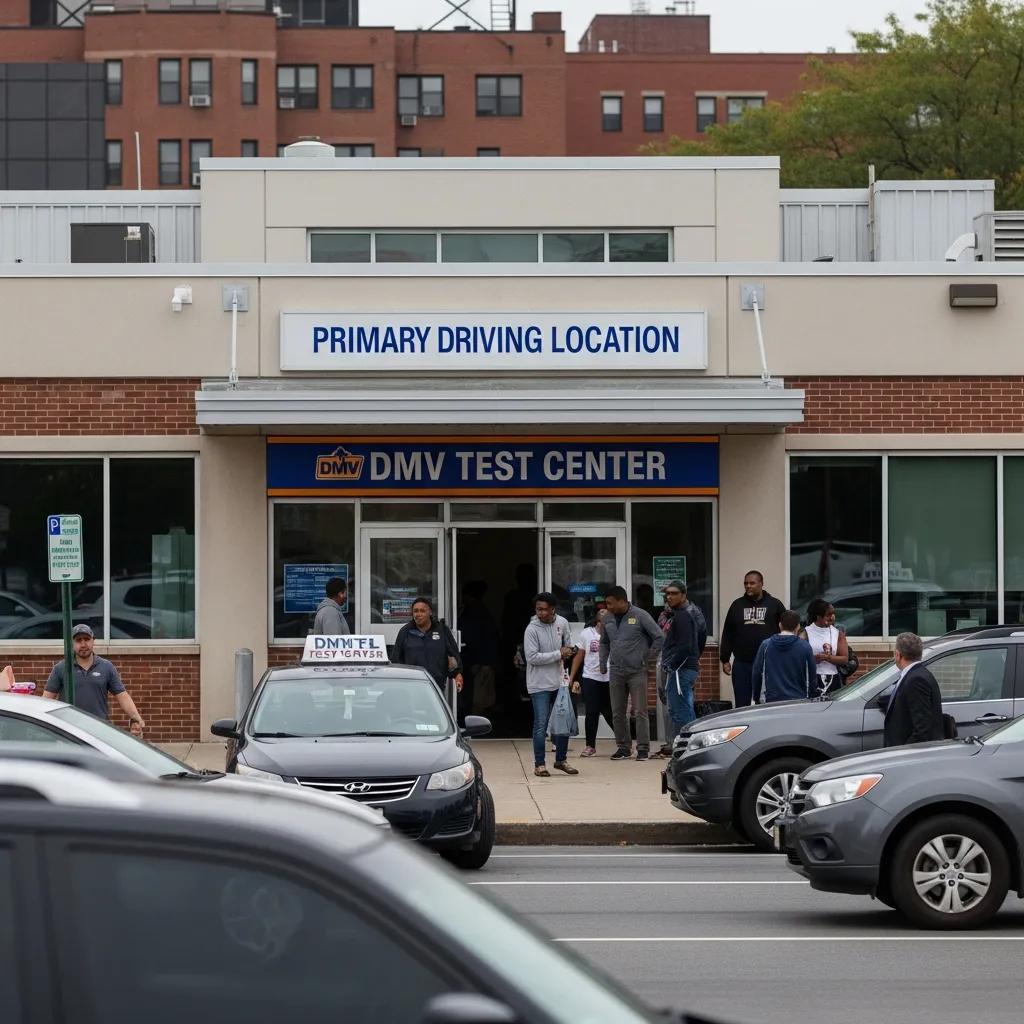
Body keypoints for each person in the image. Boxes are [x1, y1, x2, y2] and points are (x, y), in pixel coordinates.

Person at [43, 623, 145, 734]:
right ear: (72, 643)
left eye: (86, 639)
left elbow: (122, 696)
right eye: (78, 640)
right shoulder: (61, 668)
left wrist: (136, 718)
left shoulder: (106, 667)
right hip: (69, 732)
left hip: (100, 730)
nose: (83, 644)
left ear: (93, 641)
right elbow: (46, 700)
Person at [600, 585, 663, 761]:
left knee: (640, 710)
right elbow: (604, 642)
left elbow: (659, 637)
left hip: (637, 671)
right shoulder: (608, 619)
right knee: (617, 712)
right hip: (616, 671)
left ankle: (643, 748)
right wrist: (602, 662)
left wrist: (649, 658)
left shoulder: (640, 615)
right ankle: (623, 747)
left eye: (610, 603)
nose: (608, 606)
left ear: (622, 601)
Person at [523, 592, 579, 777]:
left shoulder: (562, 623)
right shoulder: (532, 629)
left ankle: (561, 760)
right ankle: (539, 764)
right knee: (541, 724)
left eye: (545, 609)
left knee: (562, 722)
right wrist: (558, 654)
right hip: (539, 684)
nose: (541, 613)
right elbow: (531, 657)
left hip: (559, 681)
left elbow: (568, 645)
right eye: (538, 609)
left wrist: (570, 652)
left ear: (553, 609)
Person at [719, 571, 785, 707]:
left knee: (767, 702)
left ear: (761, 584)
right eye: (746, 583)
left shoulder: (775, 604)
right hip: (743, 663)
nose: (748, 586)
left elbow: (786, 630)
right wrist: (725, 659)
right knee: (742, 703)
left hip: (768, 663)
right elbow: (728, 633)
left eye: (752, 583)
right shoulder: (737, 605)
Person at [659, 581, 708, 742]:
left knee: (681, 711)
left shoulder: (685, 615)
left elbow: (690, 644)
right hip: (679, 668)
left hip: (681, 670)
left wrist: (673, 665)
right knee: (678, 709)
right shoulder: (675, 614)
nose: (669, 597)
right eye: (668, 594)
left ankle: (690, 747)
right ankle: (683, 747)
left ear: (684, 595)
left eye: (674, 593)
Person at [392, 597, 464, 702]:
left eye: (422, 611)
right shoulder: (405, 631)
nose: (418, 614)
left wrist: (457, 674)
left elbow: (452, 654)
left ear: (430, 612)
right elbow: (396, 658)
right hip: (411, 686)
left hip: (436, 685)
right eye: (415, 611)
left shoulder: (442, 630)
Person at [884, 632, 944, 747]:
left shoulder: (916, 679)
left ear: (898, 654)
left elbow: (922, 727)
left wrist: (903, 751)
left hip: (907, 753)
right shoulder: (916, 674)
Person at [570, 607, 613, 757]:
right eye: (602, 617)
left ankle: (624, 742)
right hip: (590, 677)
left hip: (610, 677)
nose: (604, 622)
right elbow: (579, 656)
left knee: (611, 712)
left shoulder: (615, 632)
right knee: (591, 711)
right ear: (597, 620)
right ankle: (590, 746)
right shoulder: (587, 634)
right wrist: (572, 677)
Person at [752, 609, 817, 702]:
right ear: (798, 626)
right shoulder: (805, 647)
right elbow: (812, 676)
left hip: (770, 701)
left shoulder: (766, 645)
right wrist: (811, 696)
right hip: (798, 701)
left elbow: (757, 673)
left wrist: (756, 697)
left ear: (780, 625)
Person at [801, 598, 849, 698]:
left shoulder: (838, 634)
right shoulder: (805, 633)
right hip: (812, 678)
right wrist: (811, 659)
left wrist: (826, 658)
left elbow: (845, 659)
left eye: (833, 613)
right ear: (818, 616)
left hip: (833, 679)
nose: (832, 617)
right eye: (829, 614)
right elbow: (798, 657)